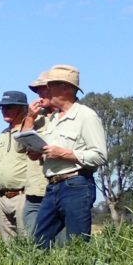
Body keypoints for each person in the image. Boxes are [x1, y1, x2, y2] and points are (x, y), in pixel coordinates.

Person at [27, 65, 107, 247]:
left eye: (52, 85)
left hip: (76, 185)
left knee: (77, 244)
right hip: (52, 186)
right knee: (39, 243)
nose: (46, 90)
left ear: (66, 88)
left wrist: (64, 153)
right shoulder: (54, 118)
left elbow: (100, 155)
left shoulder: (86, 116)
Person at [0, 91, 31, 240]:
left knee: (27, 240)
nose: (4, 110)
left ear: (23, 108)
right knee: (8, 245)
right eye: (2, 107)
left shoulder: (29, 132)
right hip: (1, 197)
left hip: (23, 195)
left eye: (9, 106)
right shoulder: (2, 135)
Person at [19, 74, 52, 236]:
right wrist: (30, 117)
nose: (39, 96)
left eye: (43, 91)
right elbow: (22, 143)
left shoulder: (67, 117)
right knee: (32, 238)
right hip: (34, 187)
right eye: (37, 92)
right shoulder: (35, 118)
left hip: (53, 186)